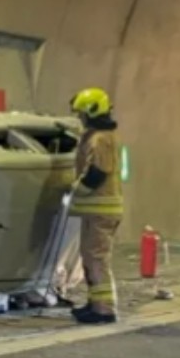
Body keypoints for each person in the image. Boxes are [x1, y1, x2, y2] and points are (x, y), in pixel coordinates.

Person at [68, 87, 123, 324]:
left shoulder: (101, 139)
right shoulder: (100, 137)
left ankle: (104, 309)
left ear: (91, 112)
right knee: (91, 258)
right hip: (97, 210)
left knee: (97, 258)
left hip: (101, 210)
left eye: (81, 114)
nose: (80, 118)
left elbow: (97, 173)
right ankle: (95, 303)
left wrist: (75, 191)